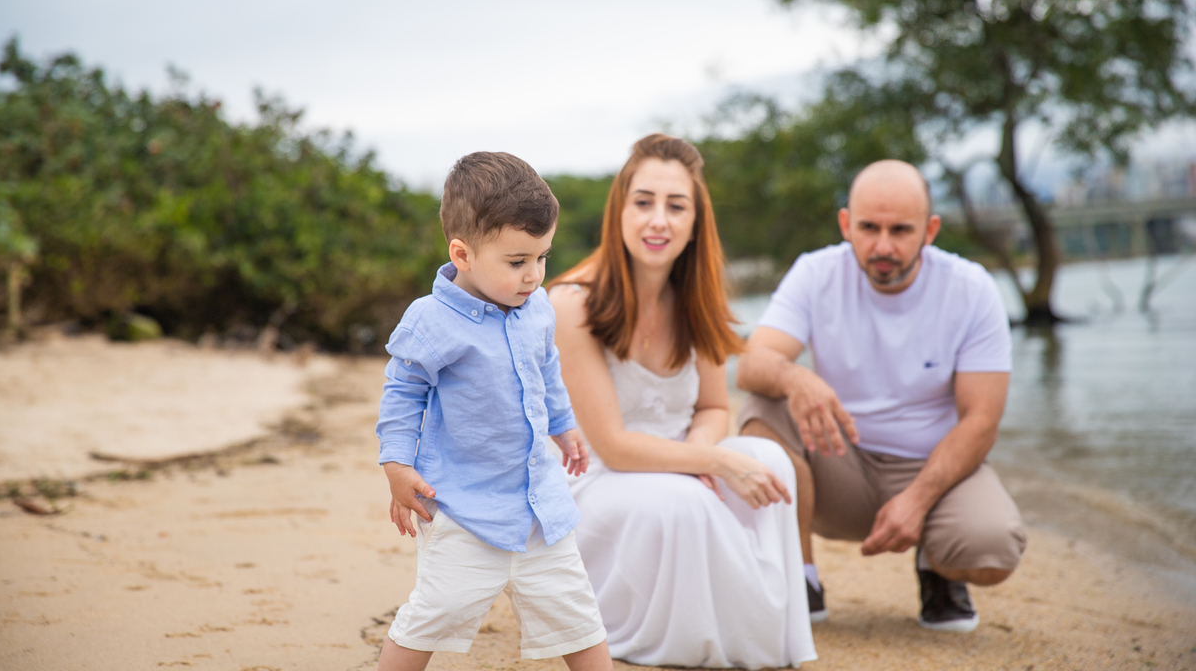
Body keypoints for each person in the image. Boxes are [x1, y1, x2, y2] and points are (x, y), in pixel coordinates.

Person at [549, 134, 818, 669]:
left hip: (678, 462)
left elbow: (715, 409)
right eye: (644, 202)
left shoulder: (699, 299)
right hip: (596, 481)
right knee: (691, 498)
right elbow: (614, 446)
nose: (659, 221)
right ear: (619, 210)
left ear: (696, 221)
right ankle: (696, 639)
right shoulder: (572, 304)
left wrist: (700, 455)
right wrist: (711, 462)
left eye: (677, 206)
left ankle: (763, 632)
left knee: (770, 463)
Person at [736, 159, 1028, 633]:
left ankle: (936, 568)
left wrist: (917, 500)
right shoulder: (815, 273)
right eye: (869, 228)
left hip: (931, 467)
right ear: (846, 224)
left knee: (992, 549)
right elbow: (751, 364)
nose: (883, 246)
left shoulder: (972, 289)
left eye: (901, 230)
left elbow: (982, 421)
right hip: (839, 463)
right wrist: (797, 378)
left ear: (930, 230)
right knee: (764, 403)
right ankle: (801, 579)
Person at [374, 152, 612, 671]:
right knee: (434, 613)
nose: (533, 275)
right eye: (516, 261)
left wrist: (566, 425)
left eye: (542, 257)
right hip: (464, 508)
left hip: (540, 507)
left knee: (577, 616)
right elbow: (402, 394)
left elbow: (547, 369)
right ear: (462, 253)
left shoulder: (538, 308)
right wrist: (396, 465)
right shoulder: (432, 320)